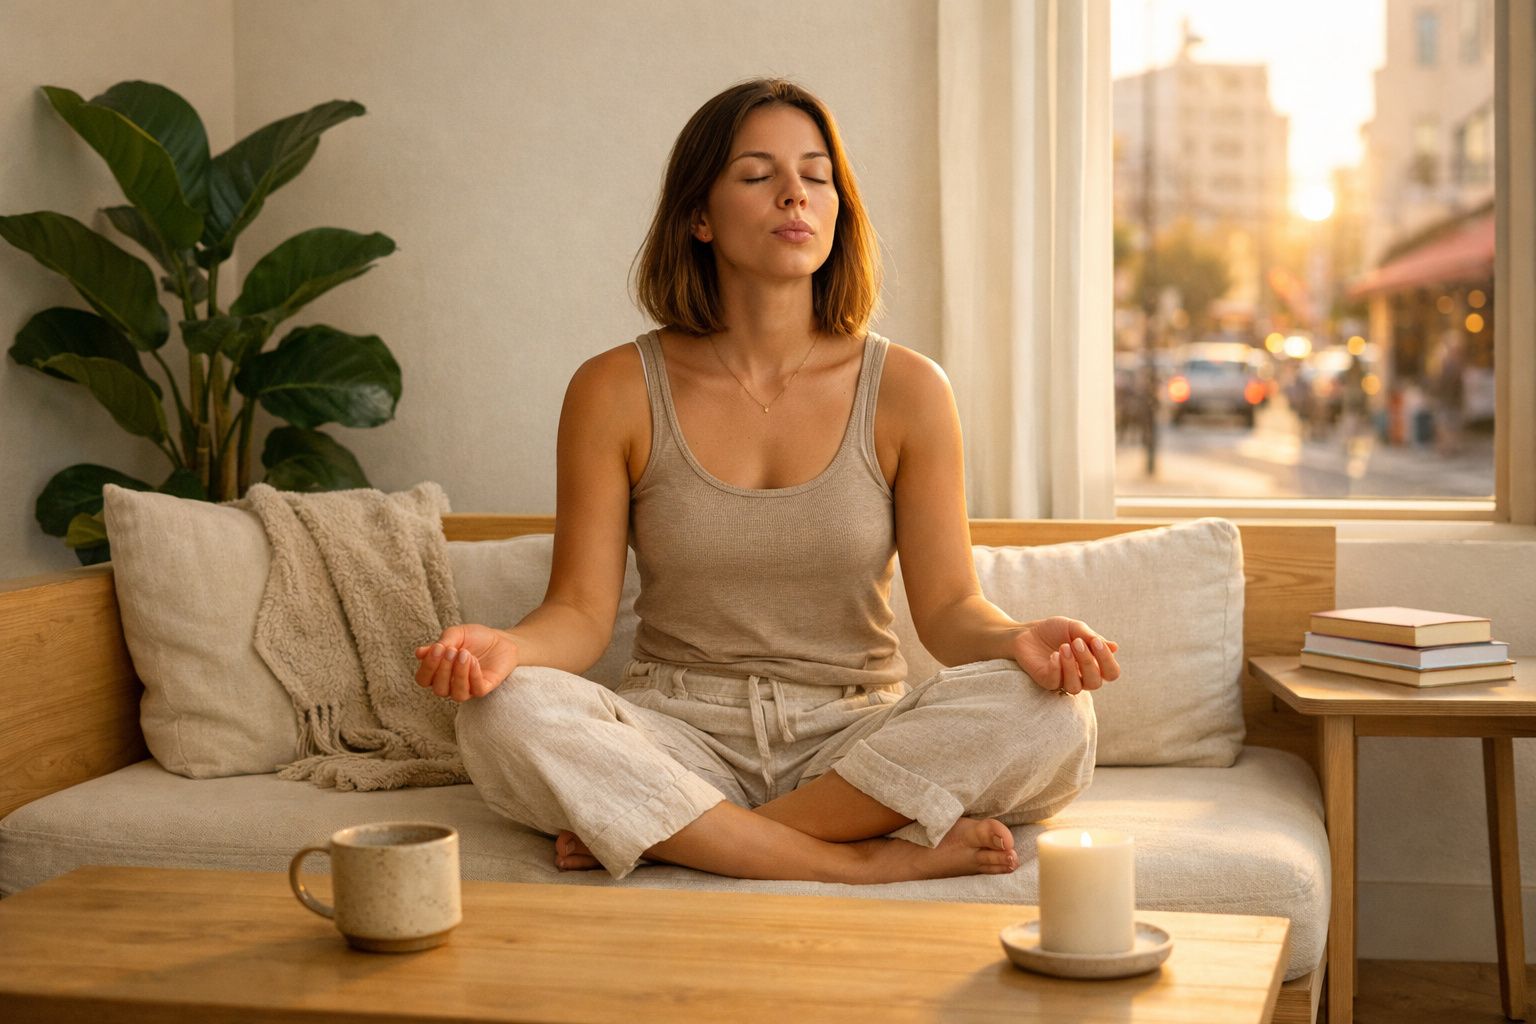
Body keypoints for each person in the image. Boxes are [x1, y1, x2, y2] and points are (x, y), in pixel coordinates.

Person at [412, 78, 1121, 885]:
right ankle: (858, 864)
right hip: (679, 734)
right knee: (505, 711)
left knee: (1053, 715)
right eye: (757, 175)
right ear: (700, 217)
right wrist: (508, 648)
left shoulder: (909, 389)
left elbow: (951, 610)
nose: (795, 193)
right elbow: (578, 612)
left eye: (817, 176)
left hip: (853, 740)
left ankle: (683, 834)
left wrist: (1013, 640)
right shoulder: (612, 388)